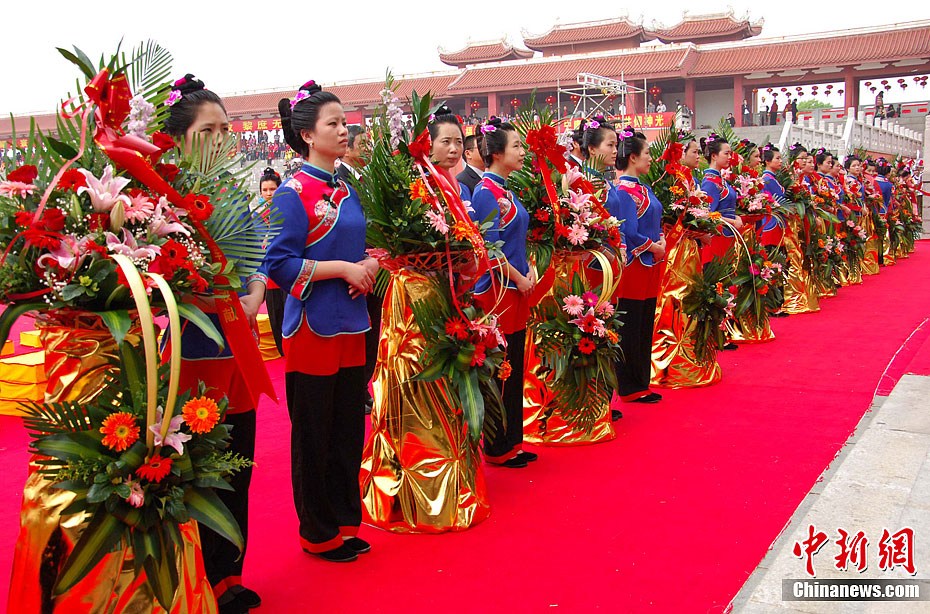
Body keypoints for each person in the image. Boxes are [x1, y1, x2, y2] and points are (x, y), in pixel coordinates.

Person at [163, 74, 266, 614]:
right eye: (210, 129)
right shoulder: (157, 199)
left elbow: (257, 258)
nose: (223, 137)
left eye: (226, 128)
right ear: (179, 138)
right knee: (194, 465)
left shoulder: (231, 191)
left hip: (239, 345)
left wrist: (252, 295)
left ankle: (230, 574)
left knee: (236, 464)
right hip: (190, 350)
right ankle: (195, 577)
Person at [267, 80, 378, 562]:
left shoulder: (347, 187)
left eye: (343, 122)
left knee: (349, 427)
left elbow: (367, 247)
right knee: (314, 431)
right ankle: (317, 530)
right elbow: (279, 263)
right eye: (332, 123)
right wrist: (341, 270)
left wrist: (370, 266)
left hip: (353, 321)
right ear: (308, 134)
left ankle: (344, 520)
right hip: (312, 326)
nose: (342, 129)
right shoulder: (291, 193)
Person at [469, 117, 536, 468]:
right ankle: (497, 445)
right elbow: (488, 249)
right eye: (516, 146)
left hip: (517, 289)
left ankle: (514, 440)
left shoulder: (507, 191)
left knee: (515, 364)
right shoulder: (485, 193)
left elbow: (515, 243)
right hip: (497, 292)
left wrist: (529, 271)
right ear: (496, 153)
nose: (522, 152)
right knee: (500, 368)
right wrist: (518, 277)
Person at [612, 129, 664, 404]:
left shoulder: (645, 188)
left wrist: (662, 240)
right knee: (630, 324)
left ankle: (642, 379)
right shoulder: (623, 191)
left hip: (651, 264)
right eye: (647, 154)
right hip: (635, 265)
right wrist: (653, 247)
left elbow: (656, 219)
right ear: (633, 157)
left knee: (645, 321)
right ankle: (629, 385)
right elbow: (629, 231)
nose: (650, 159)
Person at [259, 167, 286, 356]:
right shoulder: (256, 218)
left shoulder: (287, 214)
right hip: (269, 280)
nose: (268, 194)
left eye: (272, 189)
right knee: (276, 324)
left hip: (287, 277)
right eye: (265, 190)